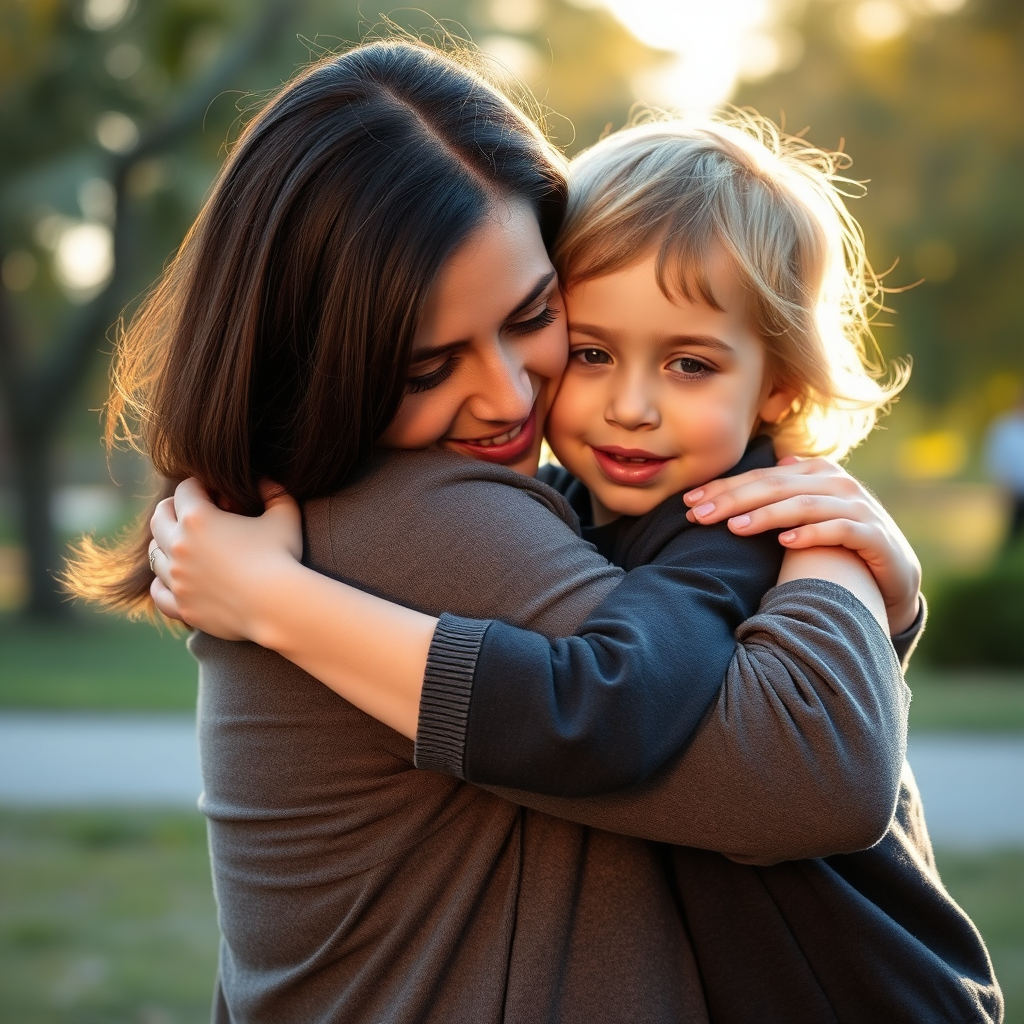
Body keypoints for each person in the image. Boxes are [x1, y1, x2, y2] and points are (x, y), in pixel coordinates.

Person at [67, 39, 922, 1023]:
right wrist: (832, 558)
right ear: (323, 357)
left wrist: (878, 580)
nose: (509, 397)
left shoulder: (349, 509)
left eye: (531, 316)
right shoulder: (421, 516)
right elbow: (819, 769)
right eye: (428, 367)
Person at [984, 387, 1024, 546]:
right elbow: (998, 460)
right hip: (1014, 489)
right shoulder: (1005, 428)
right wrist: (1003, 487)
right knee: (1013, 531)